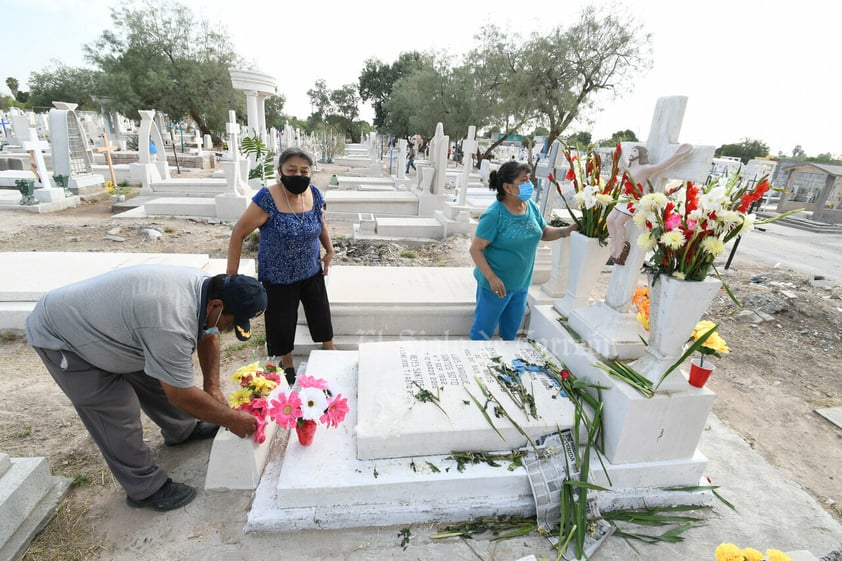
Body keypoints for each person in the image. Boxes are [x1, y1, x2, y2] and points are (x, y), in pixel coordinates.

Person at [25, 266, 266, 512]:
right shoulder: (171, 322)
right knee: (117, 408)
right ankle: (145, 488)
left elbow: (209, 334)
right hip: (64, 337)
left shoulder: (209, 289)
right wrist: (232, 419)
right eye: (231, 322)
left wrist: (212, 387)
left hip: (118, 328)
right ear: (215, 306)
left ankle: (182, 429)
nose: (228, 328)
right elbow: (181, 395)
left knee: (157, 375)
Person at [227, 147, 336, 385]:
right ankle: (287, 363)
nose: (298, 175)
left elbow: (321, 222)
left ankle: (330, 351)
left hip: (310, 267)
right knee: (281, 322)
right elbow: (238, 232)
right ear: (280, 172)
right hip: (278, 275)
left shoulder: (314, 194)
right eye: (292, 170)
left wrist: (329, 250)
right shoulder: (267, 198)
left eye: (304, 171)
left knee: (320, 313)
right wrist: (231, 277)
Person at [469, 160, 578, 340]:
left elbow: (543, 232)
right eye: (524, 181)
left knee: (510, 333)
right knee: (482, 332)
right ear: (507, 187)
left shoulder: (530, 207)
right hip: (495, 287)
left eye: (529, 180)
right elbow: (475, 249)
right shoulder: (494, 215)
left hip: (521, 285)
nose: (529, 185)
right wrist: (491, 277)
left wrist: (565, 231)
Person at [606, 143, 693, 265]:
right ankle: (614, 244)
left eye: (635, 151)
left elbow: (661, 166)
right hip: (624, 197)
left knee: (618, 222)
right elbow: (624, 157)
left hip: (633, 200)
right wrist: (621, 147)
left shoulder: (644, 168)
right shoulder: (630, 167)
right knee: (610, 220)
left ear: (640, 155)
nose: (632, 153)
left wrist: (678, 154)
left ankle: (619, 249)